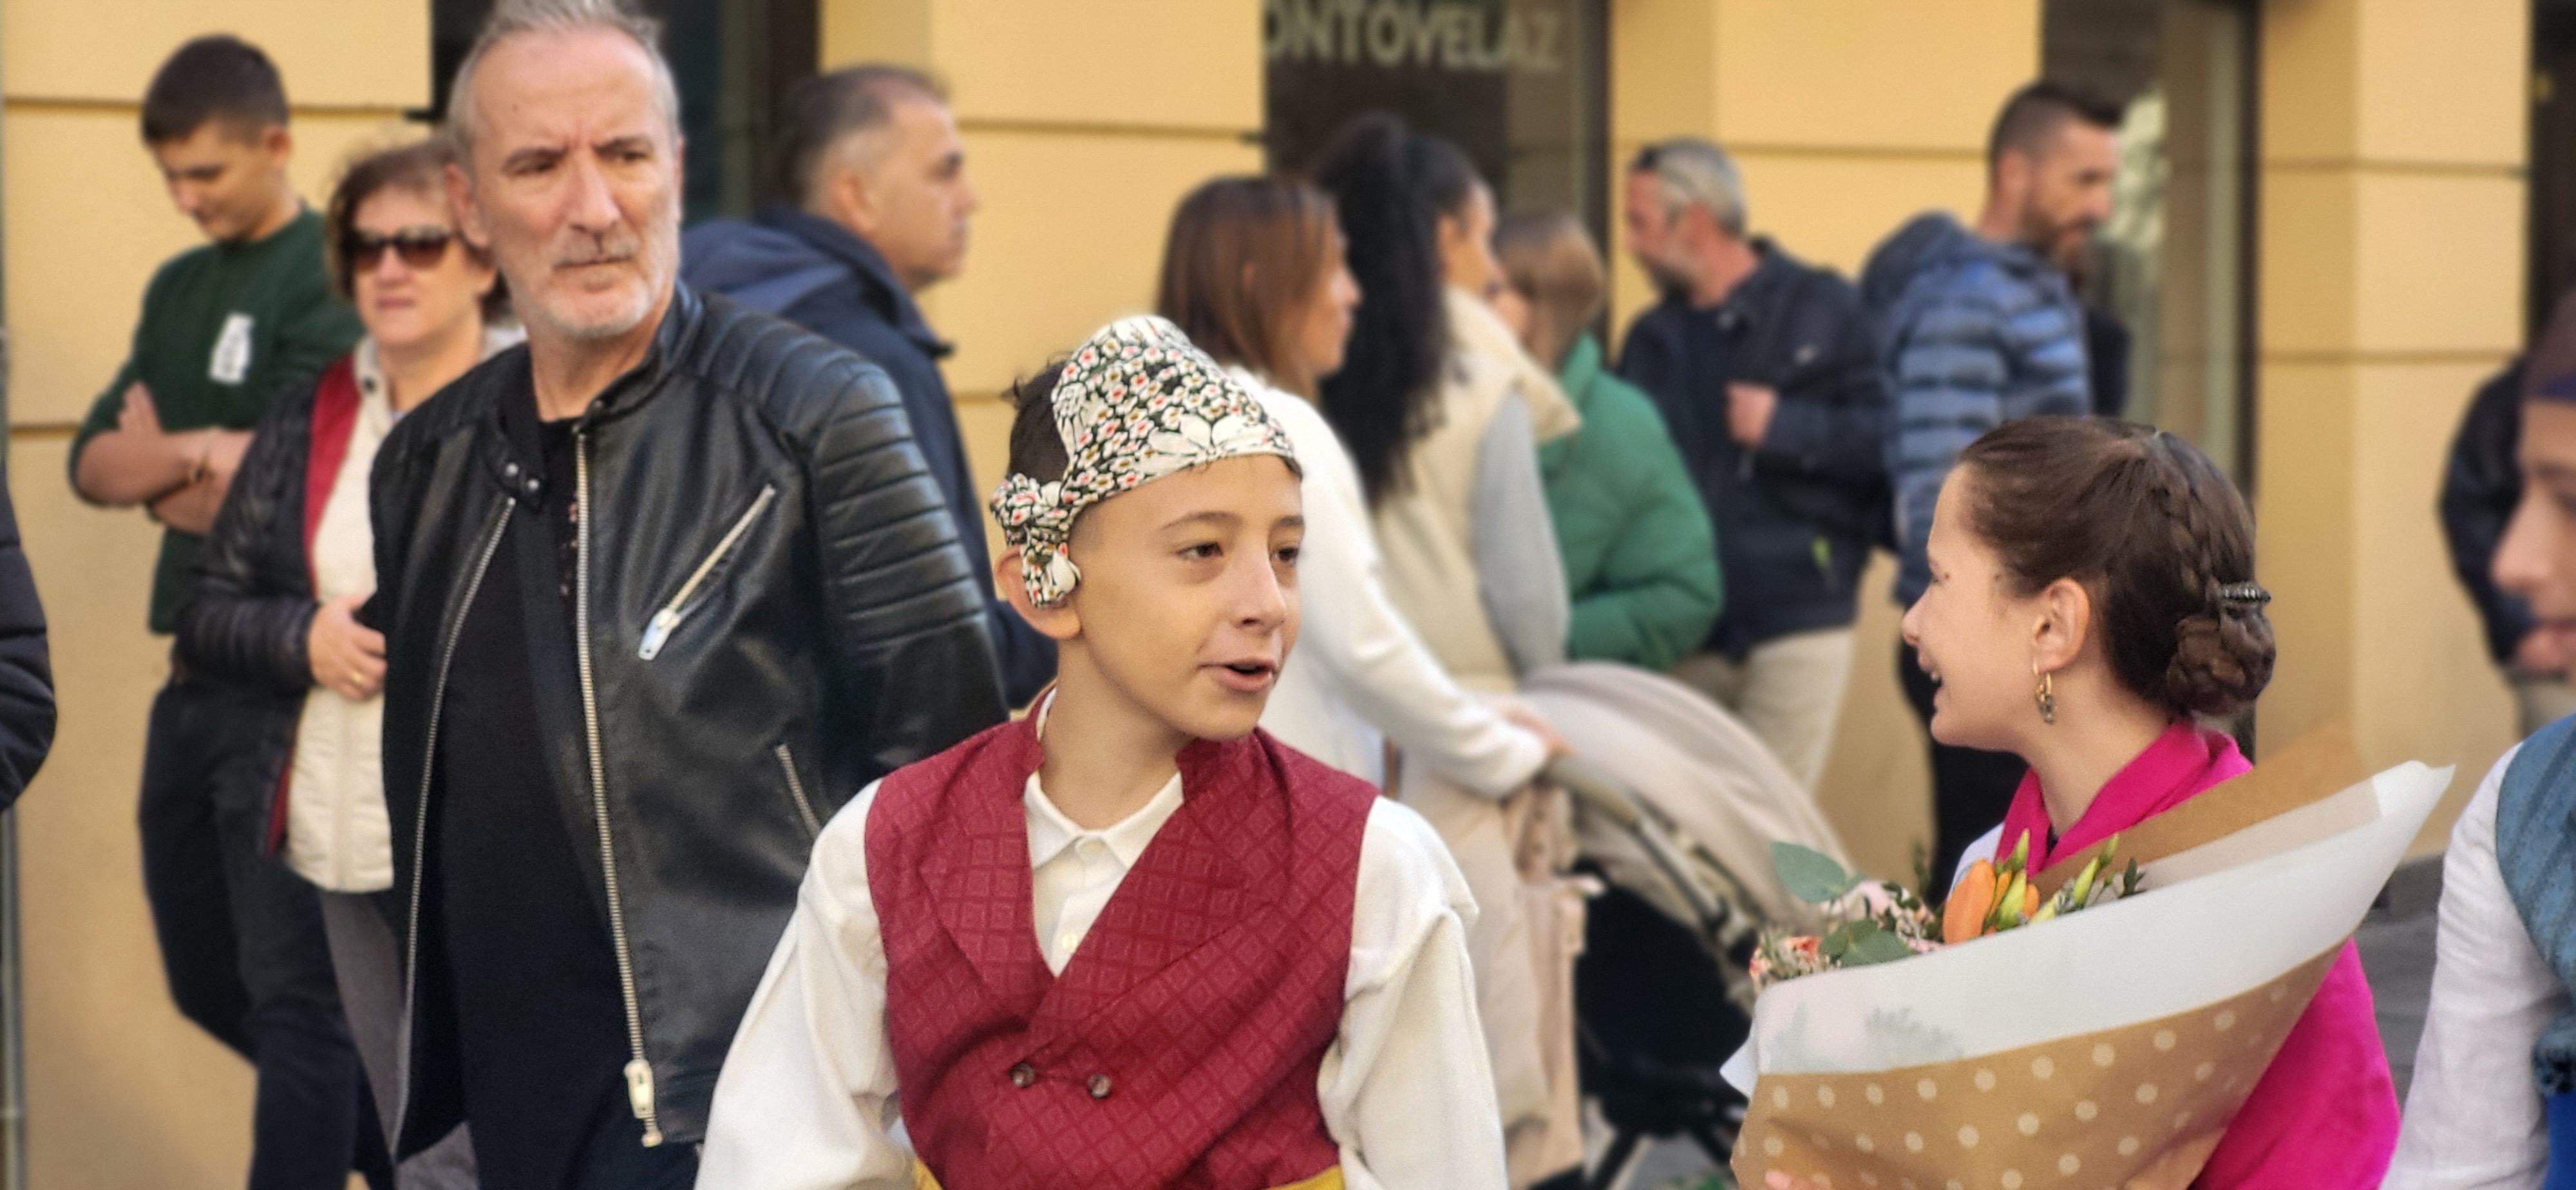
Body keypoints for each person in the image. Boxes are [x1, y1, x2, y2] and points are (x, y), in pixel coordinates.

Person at [369, 2, 1006, 1182]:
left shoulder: (820, 413)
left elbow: (955, 782)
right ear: (467, 203)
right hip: (512, 1109)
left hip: (749, 1094)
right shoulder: (425, 461)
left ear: (677, 165)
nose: (595, 208)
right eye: (539, 164)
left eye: (625, 154)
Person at [699, 315, 1508, 1188]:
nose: (1266, 602)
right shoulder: (884, 848)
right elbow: (780, 1160)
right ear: (1044, 589)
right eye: (1202, 551)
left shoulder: (1371, 870)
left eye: (1285, 553)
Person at [1896, 417, 2393, 1187]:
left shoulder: (2248, 890)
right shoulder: (1995, 864)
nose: (1911, 622)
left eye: (1936, 578)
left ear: (2052, 624)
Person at [176, 137, 509, 1190]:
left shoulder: (536, 406)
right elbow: (207, 613)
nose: (392, 268)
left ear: (483, 258)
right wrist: (303, 636)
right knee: (389, 1115)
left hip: (491, 839)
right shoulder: (312, 411)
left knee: (493, 1121)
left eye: (421, 241)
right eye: (367, 249)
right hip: (329, 831)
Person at [67, 34, 363, 1070]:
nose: (186, 198)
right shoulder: (178, 284)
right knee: (205, 981)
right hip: (186, 675)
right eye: (170, 177)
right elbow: (93, 465)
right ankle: (403, 1162)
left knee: (296, 1001)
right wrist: (192, 468)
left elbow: (294, 472)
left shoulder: (333, 269)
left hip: (285, 675)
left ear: (275, 144)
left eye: (206, 172)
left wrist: (174, 450)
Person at [1312, 113, 1583, 1186]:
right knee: (1489, 1043)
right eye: (1477, 240)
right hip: (1472, 737)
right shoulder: (1480, 377)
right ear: (1438, 241)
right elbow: (1529, 593)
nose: (1487, 267)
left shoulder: (1307, 368)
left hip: (1326, 735)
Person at [1155, 176, 1551, 815]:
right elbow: (1360, 647)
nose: (1351, 295)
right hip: (1288, 819)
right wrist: (1505, 754)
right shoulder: (1279, 430)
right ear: (1259, 283)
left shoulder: (1156, 424)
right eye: (1332, 269)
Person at [681, 64, 1054, 705]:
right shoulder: (874, 363)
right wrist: (1085, 615)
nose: (969, 199)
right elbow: (947, 650)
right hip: (848, 789)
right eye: (944, 171)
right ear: (856, 196)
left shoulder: (698, 324)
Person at [1859, 81, 2116, 893]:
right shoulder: (1964, 302)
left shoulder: (2032, 286)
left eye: (2108, 182)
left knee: (2020, 865)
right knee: (1984, 874)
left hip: (2031, 628)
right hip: (1981, 635)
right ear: (2015, 174)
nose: (2102, 207)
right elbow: (1953, 502)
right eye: (2083, 181)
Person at [1613, 138, 1888, 791]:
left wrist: (1784, 426)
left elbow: (1887, 439)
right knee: (1676, 825)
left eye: (1640, 223)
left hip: (1798, 616)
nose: (1631, 245)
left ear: (1695, 221)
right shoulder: (1650, 340)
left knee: (1771, 828)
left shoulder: (1824, 306)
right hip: (1685, 634)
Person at [2386, 297, 2576, 1188]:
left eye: (2570, 501)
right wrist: (2516, 626)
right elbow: (2460, 1171)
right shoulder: (2528, 810)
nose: (2521, 560)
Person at [1493, 210, 1721, 674]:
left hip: (1551, 711)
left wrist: (1547, 641)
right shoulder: (1458, 404)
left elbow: (1687, 592)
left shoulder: (1619, 424)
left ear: (1543, 304)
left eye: (1492, 289)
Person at [2441, 297, 2576, 740]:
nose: (2512, 566)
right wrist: (2522, 627)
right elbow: (2470, 514)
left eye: (2570, 499)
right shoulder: (2509, 402)